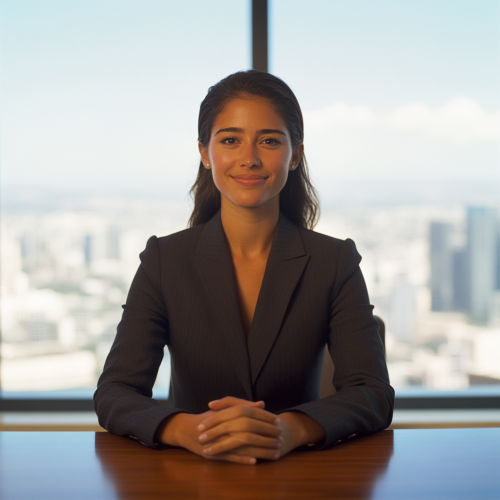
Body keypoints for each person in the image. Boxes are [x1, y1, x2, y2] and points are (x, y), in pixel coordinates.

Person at [94, 70, 394, 465]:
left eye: (269, 140)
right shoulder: (164, 262)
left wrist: (289, 429)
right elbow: (115, 391)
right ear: (205, 153)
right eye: (230, 140)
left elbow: (371, 391)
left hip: (299, 475)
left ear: (296, 154)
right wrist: (191, 430)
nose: (249, 158)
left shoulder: (333, 262)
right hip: (188, 476)